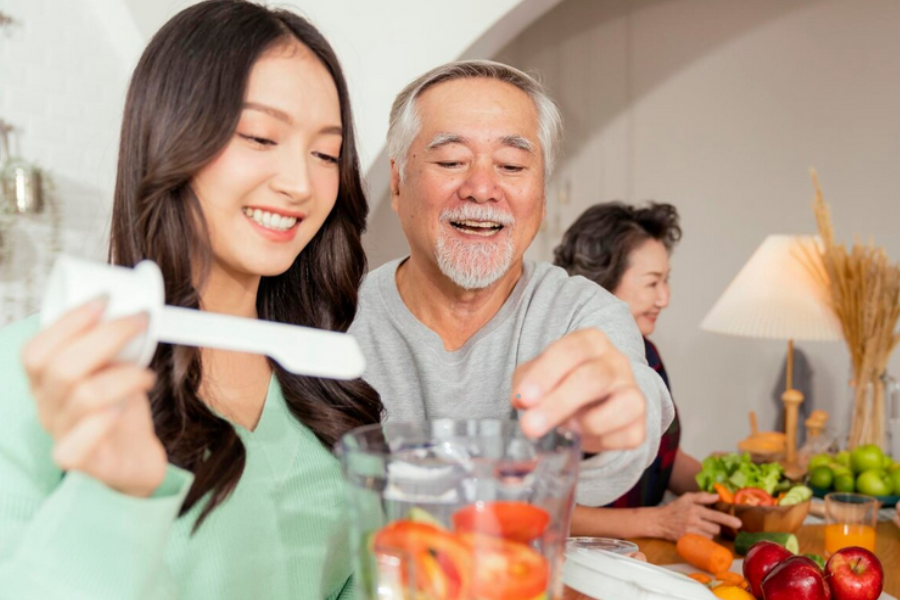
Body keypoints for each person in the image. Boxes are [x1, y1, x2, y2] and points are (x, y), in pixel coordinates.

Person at [0, 1, 382, 598]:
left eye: (326, 153)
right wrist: (114, 497)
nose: (301, 183)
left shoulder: (323, 390)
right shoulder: (34, 369)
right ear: (172, 136)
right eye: (260, 136)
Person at [349, 60, 674, 506]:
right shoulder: (336, 317)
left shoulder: (582, 313)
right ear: (397, 180)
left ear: (541, 195)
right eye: (451, 160)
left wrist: (615, 412)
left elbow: (632, 406)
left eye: (512, 165)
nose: (481, 188)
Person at [554, 202, 741, 541]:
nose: (665, 298)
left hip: (642, 556)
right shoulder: (558, 373)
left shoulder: (647, 353)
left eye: (666, 281)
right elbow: (539, 504)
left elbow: (664, 459)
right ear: (598, 286)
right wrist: (658, 522)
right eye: (652, 283)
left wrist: (735, 490)